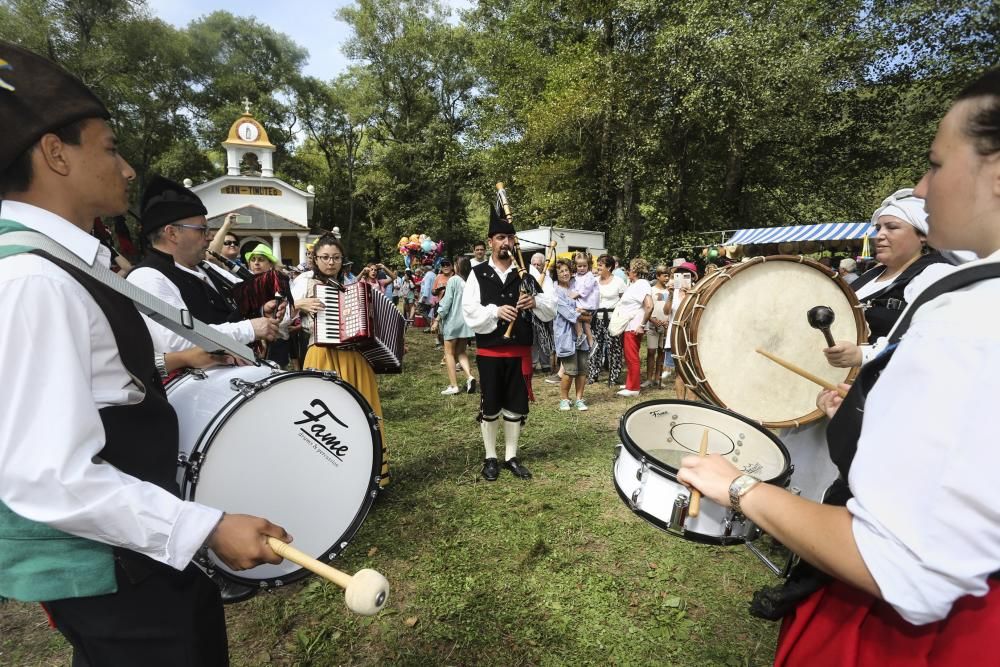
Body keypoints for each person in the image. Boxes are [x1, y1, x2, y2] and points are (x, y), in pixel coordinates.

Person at [677, 68, 1000, 665]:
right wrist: (866, 403)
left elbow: (906, 566)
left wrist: (739, 486)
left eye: (935, 163)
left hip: (911, 636)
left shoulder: (974, 319)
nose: (924, 190)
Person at [0, 40, 290, 665]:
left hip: (131, 552)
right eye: (109, 148)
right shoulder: (34, 280)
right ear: (56, 154)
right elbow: (46, 473)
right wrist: (204, 526)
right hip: (111, 567)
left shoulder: (60, 267)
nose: (128, 169)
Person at [126, 176, 280, 353]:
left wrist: (261, 311)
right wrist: (249, 329)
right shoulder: (147, 278)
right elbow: (176, 342)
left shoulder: (207, 267)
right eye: (202, 230)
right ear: (172, 233)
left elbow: (230, 311)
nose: (210, 237)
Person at [462, 209, 555, 481]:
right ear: (490, 241)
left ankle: (511, 457)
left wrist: (535, 302)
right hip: (490, 350)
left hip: (519, 351)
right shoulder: (477, 274)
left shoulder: (528, 273)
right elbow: (469, 312)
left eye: (510, 238)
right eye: (500, 237)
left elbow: (551, 308)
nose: (506, 243)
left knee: (515, 406)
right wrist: (494, 312)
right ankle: (490, 457)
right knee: (490, 405)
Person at [293, 235, 391, 488]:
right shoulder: (303, 281)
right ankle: (329, 477)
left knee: (363, 411)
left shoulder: (348, 283)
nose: (330, 262)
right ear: (315, 258)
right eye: (325, 257)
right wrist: (299, 304)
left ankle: (370, 476)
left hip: (354, 355)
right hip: (321, 352)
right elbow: (278, 314)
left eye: (336, 258)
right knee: (327, 415)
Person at [824, 188, 950, 368]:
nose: (880, 235)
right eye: (878, 228)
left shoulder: (935, 274)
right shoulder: (871, 275)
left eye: (891, 227)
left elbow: (940, 343)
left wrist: (864, 355)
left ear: (922, 235)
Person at [552, 258, 590, 411]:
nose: (565, 273)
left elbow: (586, 307)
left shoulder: (575, 288)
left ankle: (579, 399)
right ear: (556, 275)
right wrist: (586, 316)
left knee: (582, 369)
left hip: (580, 336)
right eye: (561, 271)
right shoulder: (556, 292)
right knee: (569, 370)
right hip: (566, 335)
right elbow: (569, 314)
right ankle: (564, 399)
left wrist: (584, 313)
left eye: (567, 270)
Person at [437, 256, 477, 395]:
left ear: (457, 266)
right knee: (461, 352)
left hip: (453, 322)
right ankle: (469, 377)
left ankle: (454, 385)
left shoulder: (453, 280)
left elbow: (446, 302)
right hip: (466, 324)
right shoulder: (470, 282)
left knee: (449, 353)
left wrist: (437, 319)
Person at [614, 257, 652, 397]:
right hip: (629, 325)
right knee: (630, 356)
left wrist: (642, 325)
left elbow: (649, 305)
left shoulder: (642, 284)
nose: (627, 272)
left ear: (635, 271)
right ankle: (631, 383)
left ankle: (634, 388)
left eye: (629, 269)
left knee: (632, 357)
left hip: (634, 326)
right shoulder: (635, 284)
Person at [587, 254, 627, 386]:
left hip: (612, 319)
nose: (597, 267)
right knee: (596, 347)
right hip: (597, 318)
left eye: (600, 265)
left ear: (609, 267)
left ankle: (614, 377)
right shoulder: (594, 280)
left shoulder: (619, 282)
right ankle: (593, 374)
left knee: (614, 348)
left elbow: (624, 301)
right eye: (597, 264)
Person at [646, 264, 671, 388]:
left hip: (665, 326)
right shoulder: (651, 290)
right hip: (652, 325)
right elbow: (645, 308)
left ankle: (658, 377)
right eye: (664, 275)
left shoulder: (670, 291)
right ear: (657, 276)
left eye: (668, 276)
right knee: (651, 351)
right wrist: (651, 319)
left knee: (662, 352)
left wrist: (668, 320)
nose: (667, 278)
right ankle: (649, 378)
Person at [570, 251, 598, 349]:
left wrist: (574, 295)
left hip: (588, 304)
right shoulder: (576, 276)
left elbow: (586, 289)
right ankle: (591, 343)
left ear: (588, 265)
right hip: (582, 303)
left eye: (584, 266)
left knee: (576, 314)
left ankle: (580, 335)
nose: (582, 268)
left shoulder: (589, 276)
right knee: (586, 324)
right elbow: (573, 287)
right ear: (576, 266)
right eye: (579, 266)